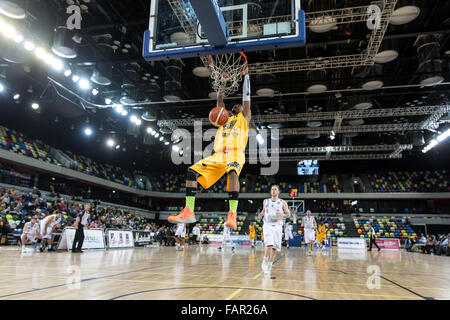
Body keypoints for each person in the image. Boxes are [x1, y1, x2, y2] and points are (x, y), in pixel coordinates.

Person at [168, 68, 252, 233]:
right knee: (191, 171)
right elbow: (220, 100)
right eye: (235, 105)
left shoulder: (244, 119)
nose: (237, 105)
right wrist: (223, 83)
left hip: (235, 153)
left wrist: (246, 77)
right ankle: (188, 210)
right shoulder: (224, 119)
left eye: (240, 105)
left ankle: (232, 214)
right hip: (218, 155)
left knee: (233, 173)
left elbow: (247, 98)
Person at [258, 185, 292, 275]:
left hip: (277, 226)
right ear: (270, 192)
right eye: (272, 189)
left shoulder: (282, 202)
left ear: (278, 192)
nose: (273, 190)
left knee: (274, 248)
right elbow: (264, 211)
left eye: (275, 189)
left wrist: (282, 215)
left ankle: (269, 265)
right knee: (269, 244)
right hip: (267, 225)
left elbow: (288, 214)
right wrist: (261, 214)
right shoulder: (266, 201)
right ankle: (265, 259)